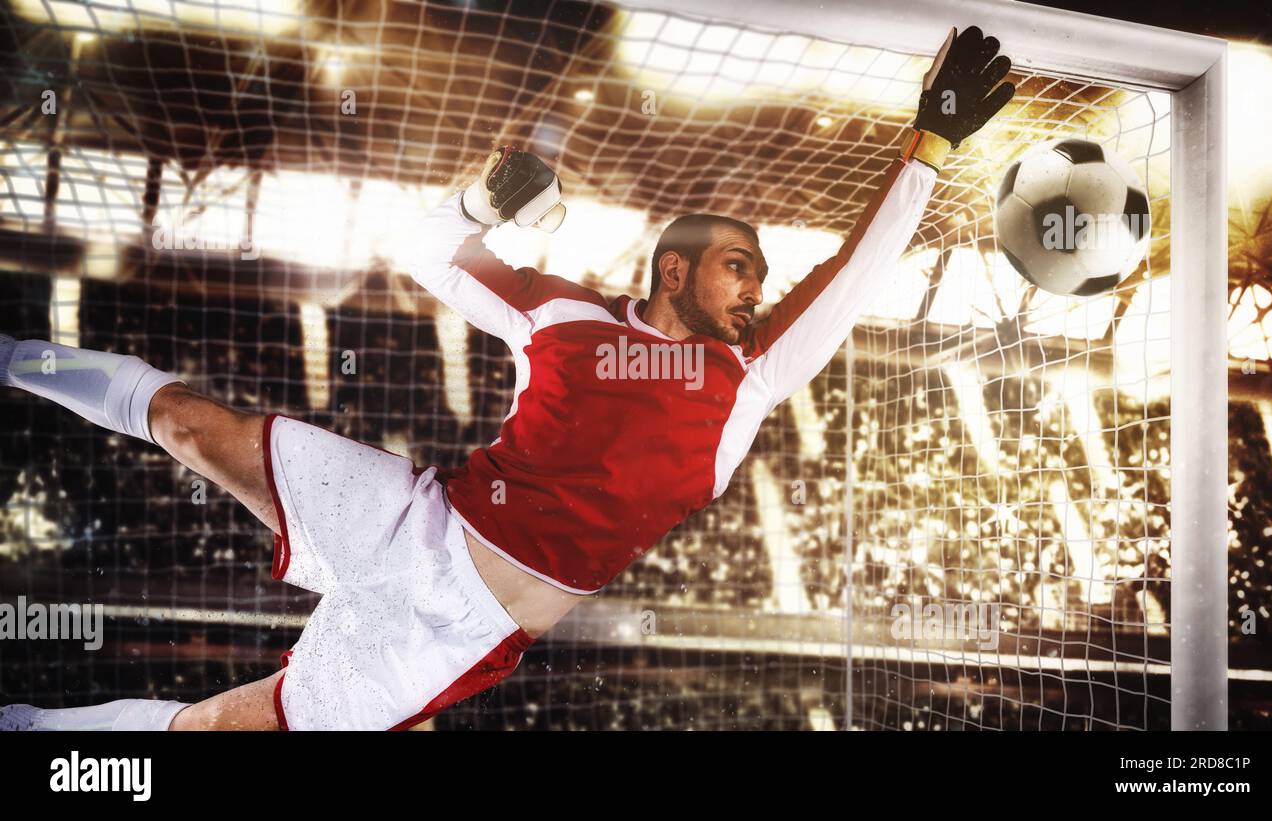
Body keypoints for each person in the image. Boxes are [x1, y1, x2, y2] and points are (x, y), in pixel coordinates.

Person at [0, 26, 1013, 730]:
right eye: (739, 265)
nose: (759, 288)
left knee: (219, 728)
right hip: (412, 520)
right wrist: (483, 197)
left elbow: (854, 272)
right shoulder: (563, 312)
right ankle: (10, 354)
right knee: (181, 418)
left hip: (454, 630)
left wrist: (929, 146)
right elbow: (424, 250)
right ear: (673, 267)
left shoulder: (748, 376)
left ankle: (28, 724)